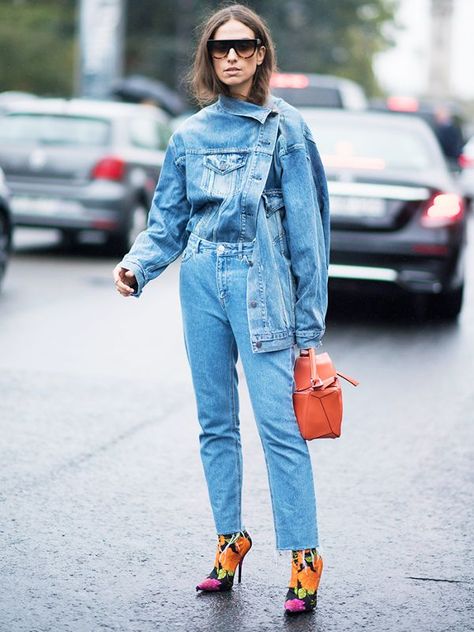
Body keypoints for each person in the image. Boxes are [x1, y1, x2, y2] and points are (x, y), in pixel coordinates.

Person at [113, 4, 329, 616]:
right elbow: (168, 223)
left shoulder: (288, 130)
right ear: (208, 57)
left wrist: (310, 325)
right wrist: (138, 265)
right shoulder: (189, 134)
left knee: (279, 428)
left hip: (264, 284)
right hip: (202, 279)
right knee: (215, 422)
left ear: (262, 52)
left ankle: (304, 555)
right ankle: (230, 539)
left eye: (243, 45)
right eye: (219, 47)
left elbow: (309, 233)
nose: (230, 56)